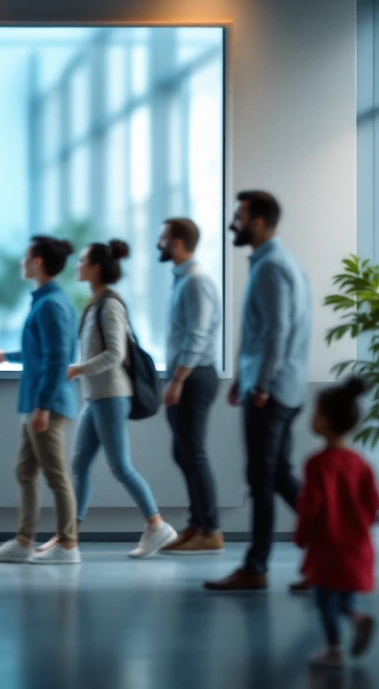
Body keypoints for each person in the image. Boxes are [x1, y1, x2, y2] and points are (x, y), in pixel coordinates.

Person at [206, 191, 312, 592]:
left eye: (240, 217)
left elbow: (278, 333)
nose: (233, 223)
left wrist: (262, 384)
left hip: (273, 390)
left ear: (260, 222)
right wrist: (243, 378)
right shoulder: (281, 263)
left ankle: (256, 567)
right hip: (278, 386)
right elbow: (265, 331)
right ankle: (329, 551)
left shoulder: (271, 267)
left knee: (262, 479)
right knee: (278, 476)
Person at [61, 240, 177, 559]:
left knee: (120, 466)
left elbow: (116, 353)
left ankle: (157, 526)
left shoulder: (110, 305)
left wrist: (78, 369)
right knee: (80, 464)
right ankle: (68, 536)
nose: (77, 265)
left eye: (82, 260)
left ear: (96, 267)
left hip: (111, 395)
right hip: (97, 396)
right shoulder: (95, 303)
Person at [0, 236, 80, 565]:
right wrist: (5, 357)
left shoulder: (51, 305)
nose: (22, 262)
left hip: (47, 405)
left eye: (26, 257)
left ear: (37, 262)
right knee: (25, 472)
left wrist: (43, 406)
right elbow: (39, 352)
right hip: (38, 403)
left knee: (56, 476)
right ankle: (24, 542)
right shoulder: (45, 302)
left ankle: (68, 545)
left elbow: (58, 359)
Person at [294, 377, 379, 669]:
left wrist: (302, 536)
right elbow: (374, 504)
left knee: (324, 598)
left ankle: (334, 648)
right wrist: (359, 526)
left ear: (326, 422)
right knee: (346, 592)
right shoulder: (361, 463)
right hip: (357, 544)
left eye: (316, 413)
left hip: (328, 546)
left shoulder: (317, 464)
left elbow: (311, 506)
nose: (312, 418)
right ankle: (357, 616)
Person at [156, 218, 224, 555]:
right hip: (186, 376)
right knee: (183, 451)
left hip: (194, 377)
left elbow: (196, 337)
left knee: (193, 452)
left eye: (164, 238)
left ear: (178, 243)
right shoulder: (183, 281)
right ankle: (198, 524)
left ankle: (209, 529)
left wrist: (177, 381)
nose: (159, 243)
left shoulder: (195, 282)